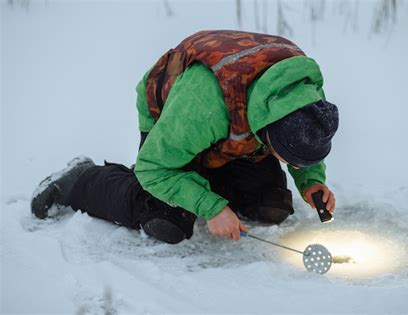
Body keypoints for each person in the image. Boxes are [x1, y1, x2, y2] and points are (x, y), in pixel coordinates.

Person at [31, 30, 339, 244]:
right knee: (166, 220)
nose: (290, 163)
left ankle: (208, 180)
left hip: (234, 130)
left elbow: (306, 138)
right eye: (286, 156)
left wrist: (310, 178)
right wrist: (211, 207)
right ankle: (83, 180)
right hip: (176, 122)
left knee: (270, 206)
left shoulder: (303, 92)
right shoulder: (202, 105)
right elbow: (154, 168)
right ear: (268, 129)